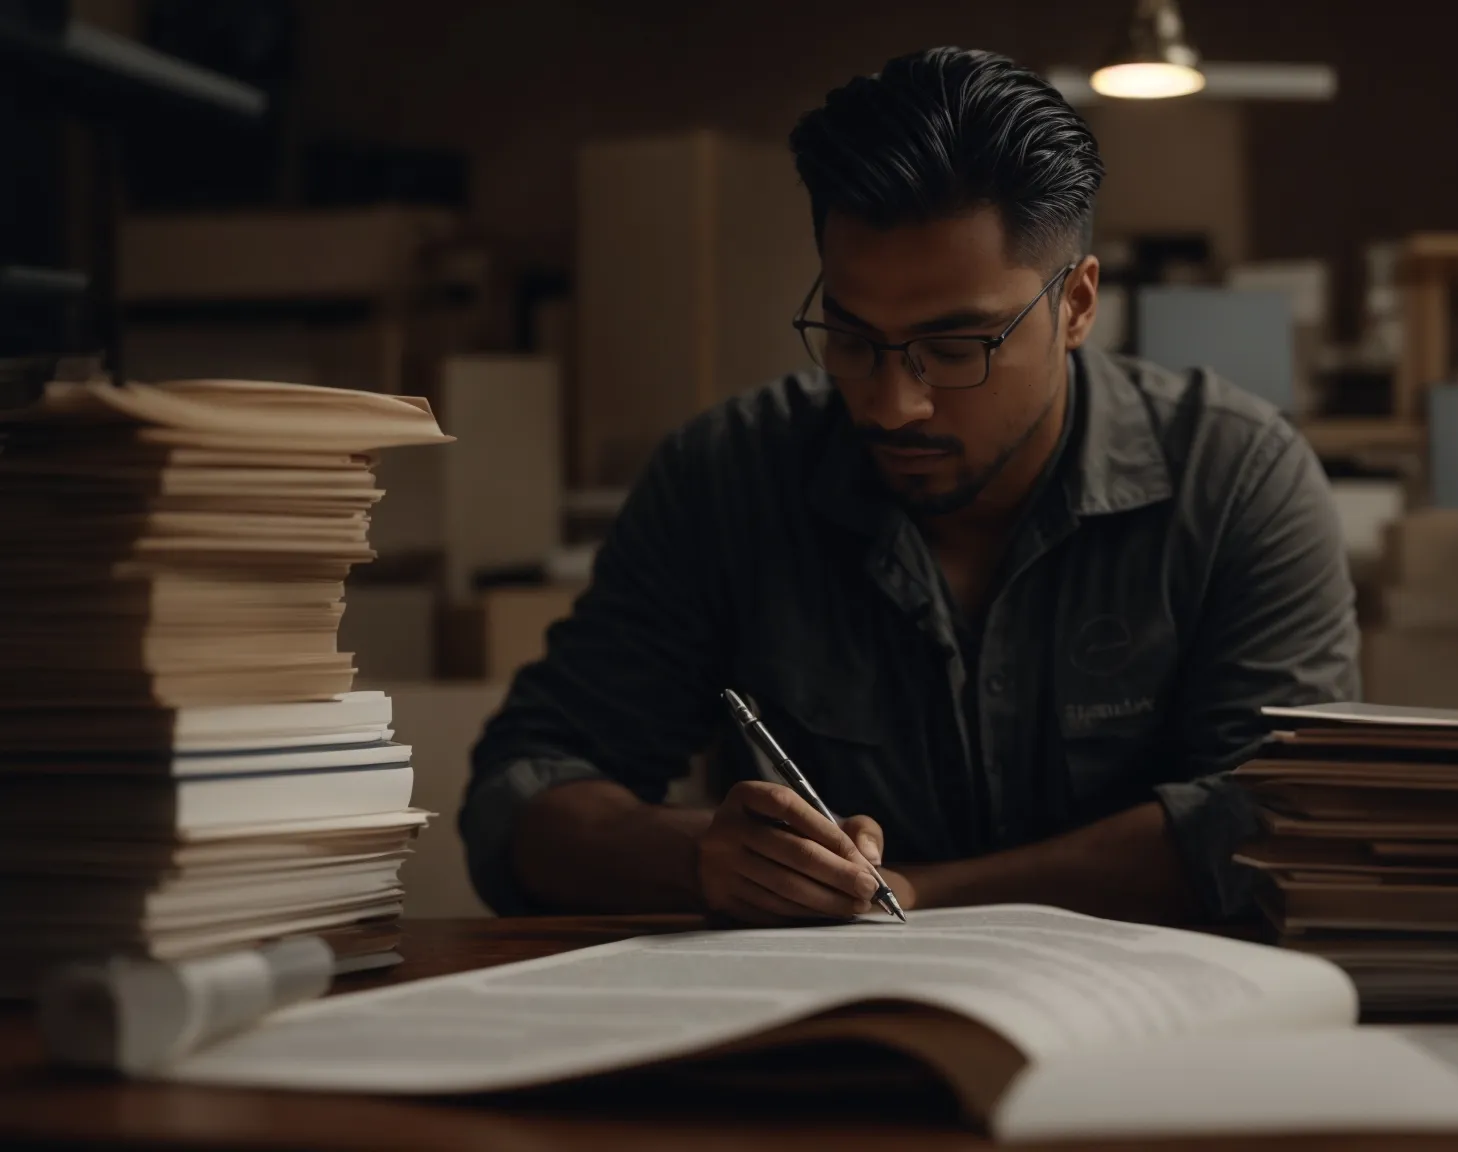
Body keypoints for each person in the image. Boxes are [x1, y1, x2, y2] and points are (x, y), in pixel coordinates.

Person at [461, 46, 1357, 927]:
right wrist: (697, 857)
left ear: (1077, 304)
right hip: (826, 1043)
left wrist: (930, 893)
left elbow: (1284, 819)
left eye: (958, 348)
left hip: (1163, 1046)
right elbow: (521, 792)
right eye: (852, 339)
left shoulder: (1236, 478)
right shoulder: (726, 476)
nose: (894, 405)